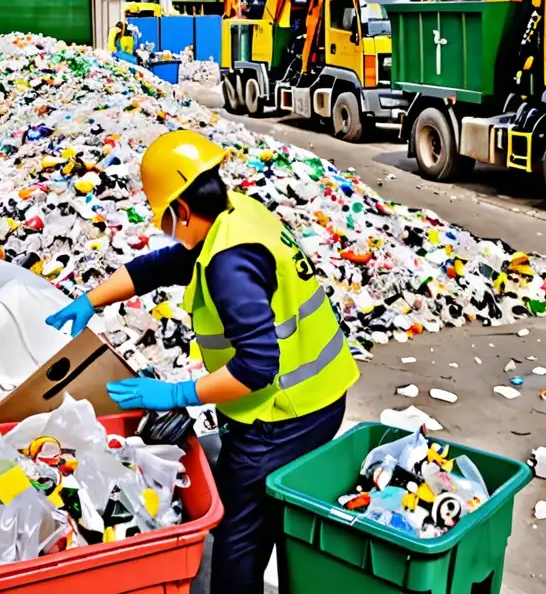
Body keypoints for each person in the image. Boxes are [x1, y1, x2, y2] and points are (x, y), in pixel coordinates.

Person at [45, 130, 360, 593]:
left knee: (238, 531)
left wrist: (174, 394)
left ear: (181, 210)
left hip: (286, 412)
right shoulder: (238, 215)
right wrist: (91, 300)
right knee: (260, 515)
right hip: (321, 390)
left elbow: (256, 369)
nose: (163, 227)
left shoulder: (229, 265)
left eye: (163, 217)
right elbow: (165, 265)